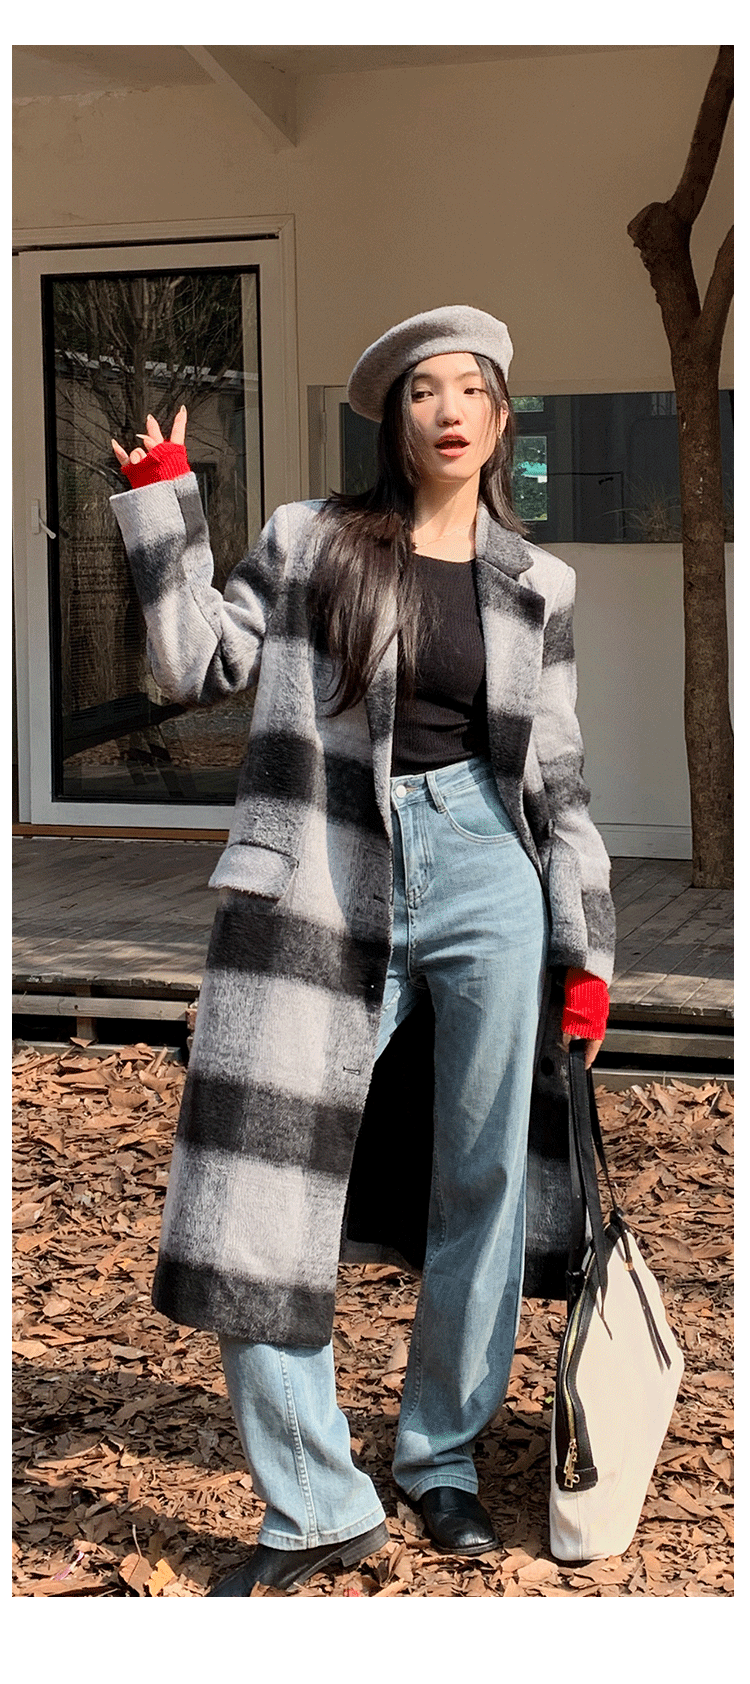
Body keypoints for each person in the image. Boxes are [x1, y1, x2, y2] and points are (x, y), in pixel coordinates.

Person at [110, 305, 614, 1596]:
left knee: (483, 1180)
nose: (447, 410)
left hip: (488, 870)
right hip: (323, 869)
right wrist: (165, 502)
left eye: (470, 390)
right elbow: (191, 665)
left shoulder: (538, 583)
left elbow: (556, 781)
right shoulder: (311, 538)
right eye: (422, 390)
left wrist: (586, 949)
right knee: (259, 1186)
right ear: (393, 420)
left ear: (499, 419)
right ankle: (318, 1503)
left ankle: (441, 1456)